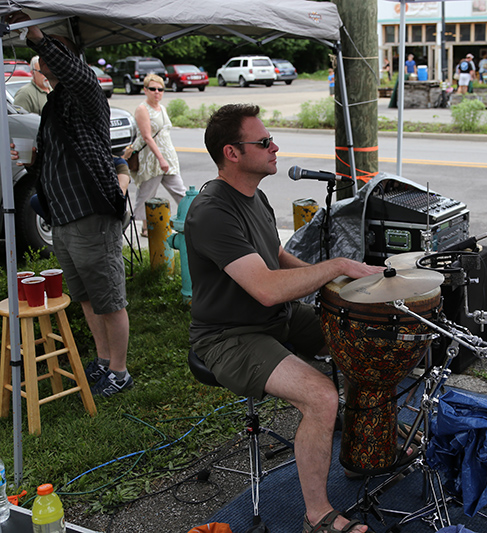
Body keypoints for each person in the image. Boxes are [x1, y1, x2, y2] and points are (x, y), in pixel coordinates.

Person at [185, 103, 384, 533]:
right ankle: (318, 515)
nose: (275, 147)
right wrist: (336, 267)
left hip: (276, 317)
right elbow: (266, 286)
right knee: (321, 394)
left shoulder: (254, 197)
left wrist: (336, 291)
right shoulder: (211, 212)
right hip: (229, 336)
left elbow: (273, 256)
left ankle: (359, 450)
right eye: (263, 142)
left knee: (364, 342)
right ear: (232, 153)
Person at [7, 13, 132, 397]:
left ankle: (120, 372)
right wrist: (29, 161)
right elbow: (56, 158)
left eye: (52, 51)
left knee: (108, 297)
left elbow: (72, 69)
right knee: (86, 297)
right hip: (63, 218)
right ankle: (102, 361)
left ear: (69, 58)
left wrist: (36, 35)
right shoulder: (54, 103)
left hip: (90, 215)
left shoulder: (85, 89)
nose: (43, 58)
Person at [127, 74, 186, 238]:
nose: (157, 92)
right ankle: (142, 226)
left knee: (180, 190)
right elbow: (146, 137)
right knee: (147, 194)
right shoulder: (142, 109)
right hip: (152, 159)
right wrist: (160, 159)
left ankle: (191, 219)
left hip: (168, 157)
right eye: (152, 89)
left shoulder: (162, 108)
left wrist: (167, 158)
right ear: (145, 90)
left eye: (160, 89)